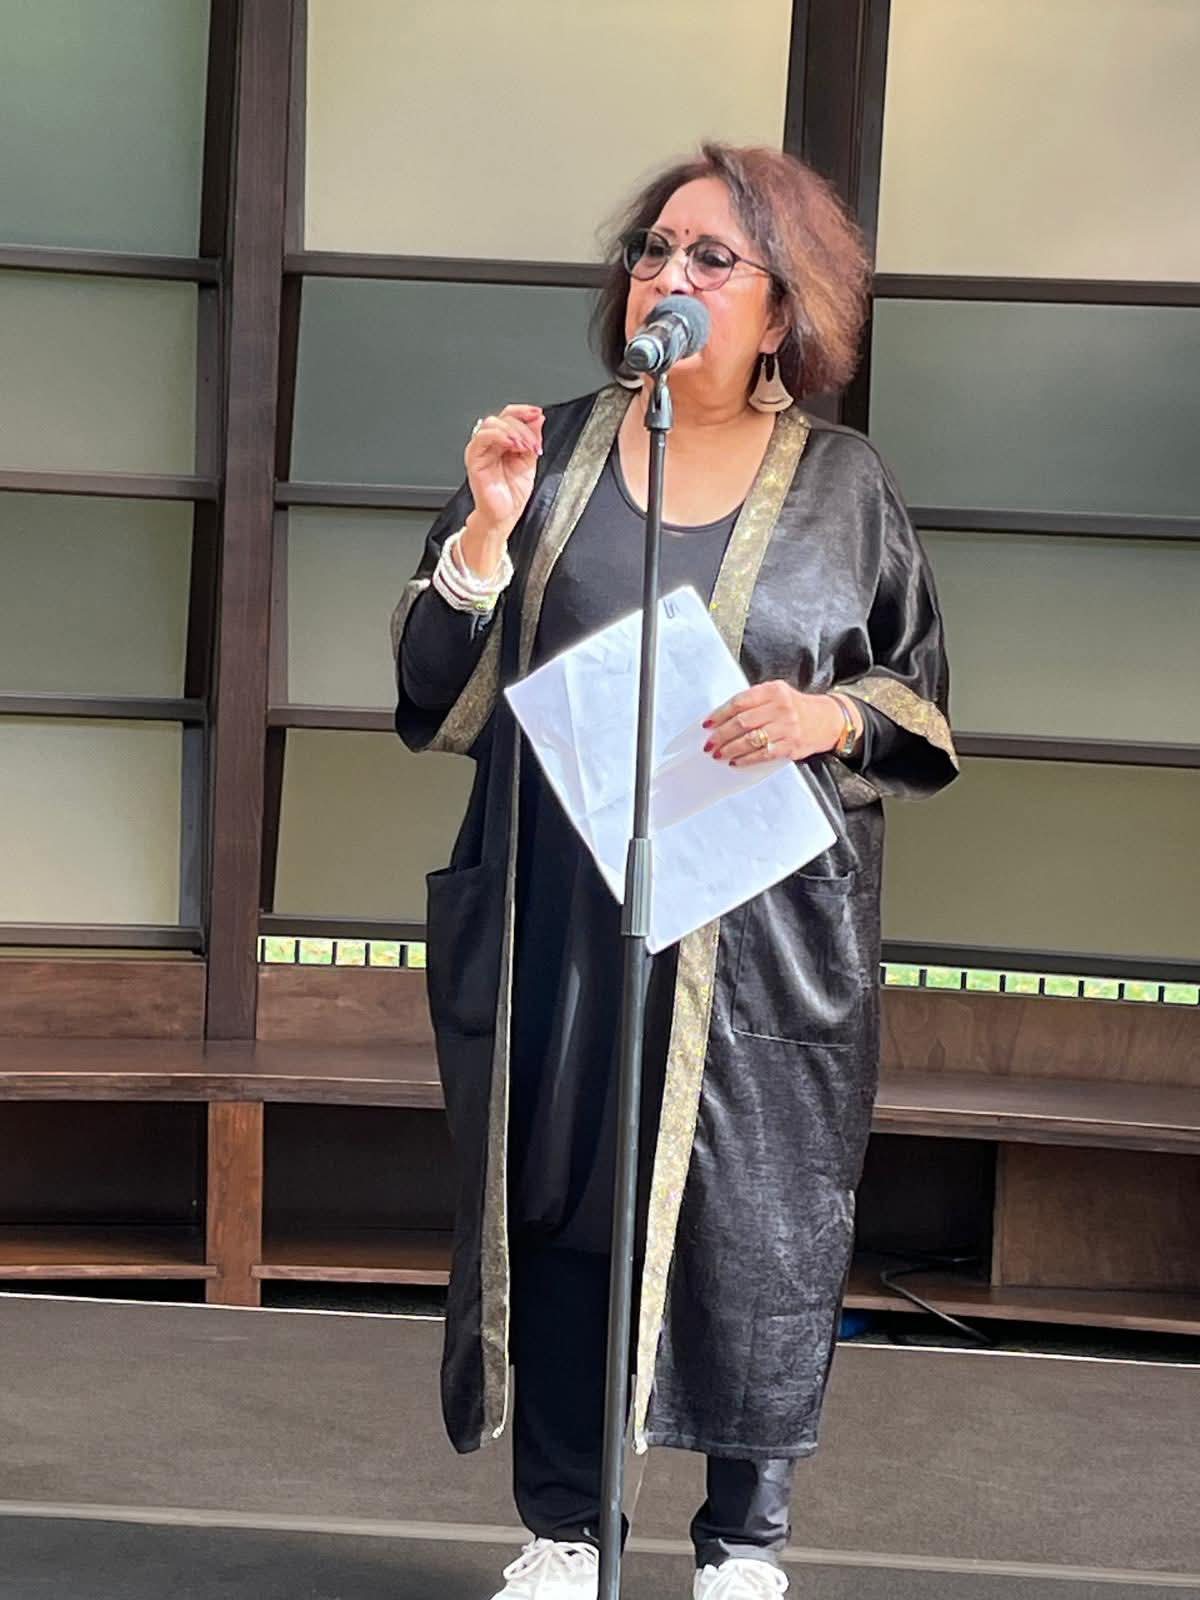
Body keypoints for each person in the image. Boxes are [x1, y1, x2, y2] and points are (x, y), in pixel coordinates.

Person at [392, 143, 958, 1600]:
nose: (671, 276)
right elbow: (434, 694)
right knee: (562, 1200)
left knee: (755, 1216)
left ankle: (743, 1543)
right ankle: (565, 1526)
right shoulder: (548, 454)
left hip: (761, 934)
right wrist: (484, 539)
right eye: (654, 250)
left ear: (784, 308)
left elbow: (918, 700)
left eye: (713, 257)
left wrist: (824, 718)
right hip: (566, 915)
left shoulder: (846, 486)